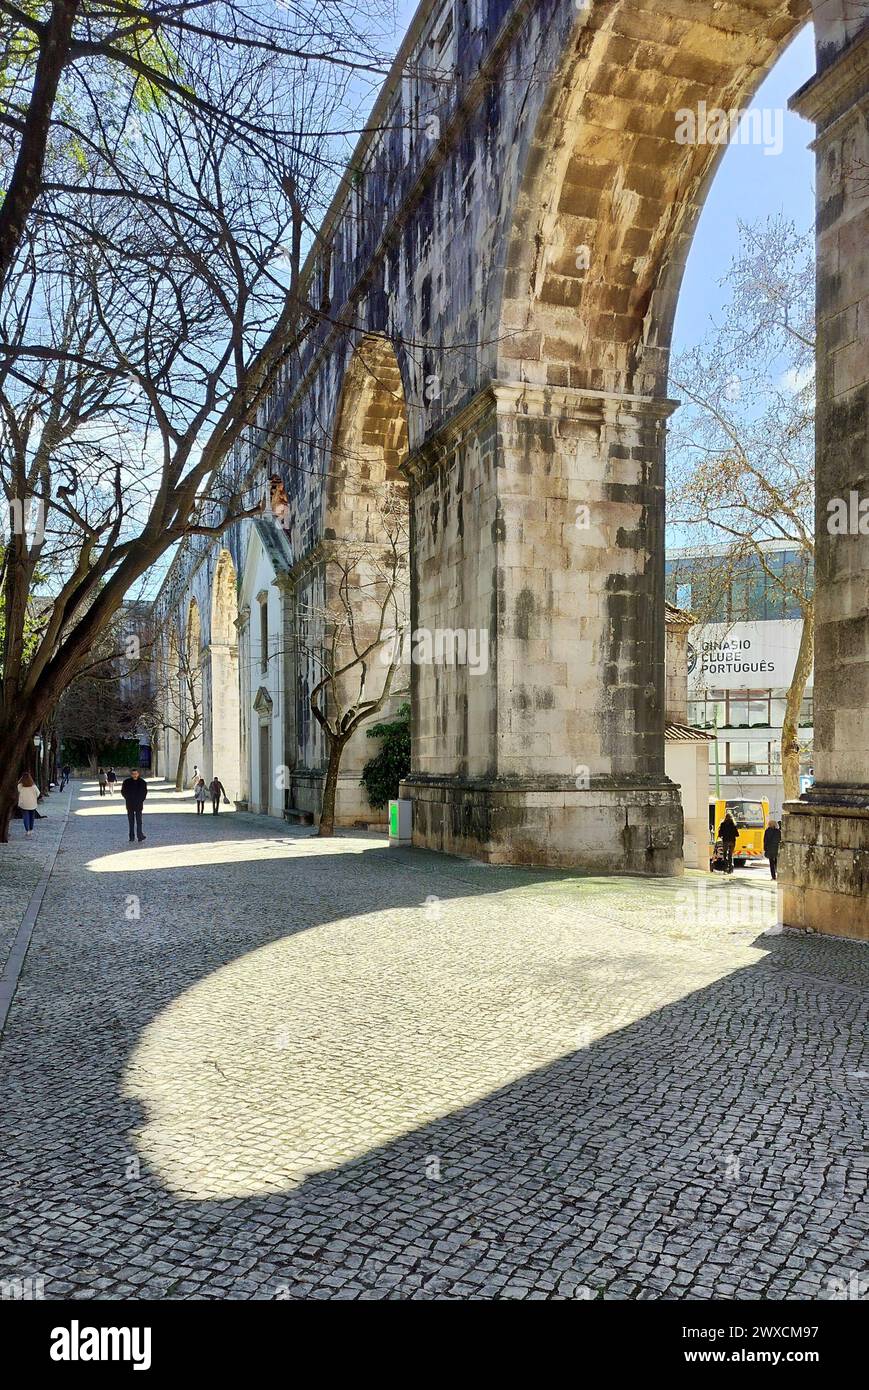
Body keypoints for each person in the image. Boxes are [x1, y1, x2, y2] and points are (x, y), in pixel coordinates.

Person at [121, 768, 148, 843]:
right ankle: (131, 837)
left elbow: (144, 793)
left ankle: (140, 836)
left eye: (136, 774)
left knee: (139, 821)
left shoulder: (142, 782)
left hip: (139, 804)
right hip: (130, 804)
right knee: (131, 822)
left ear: (138, 774)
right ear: (131, 774)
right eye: (133, 774)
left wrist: (141, 800)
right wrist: (127, 798)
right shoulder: (126, 782)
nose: (134, 775)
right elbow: (123, 792)